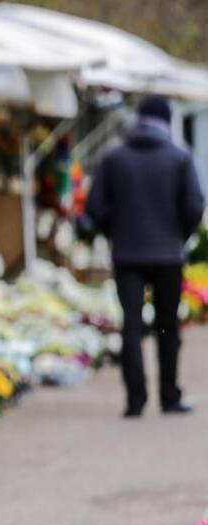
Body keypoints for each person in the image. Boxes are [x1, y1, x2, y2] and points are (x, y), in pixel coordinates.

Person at [86, 95, 205, 417]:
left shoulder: (114, 158)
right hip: (168, 255)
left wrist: (116, 230)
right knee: (167, 327)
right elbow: (195, 206)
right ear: (166, 121)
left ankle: (135, 401)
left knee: (132, 327)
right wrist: (178, 235)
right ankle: (169, 396)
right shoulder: (179, 158)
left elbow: (94, 207)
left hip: (127, 256)